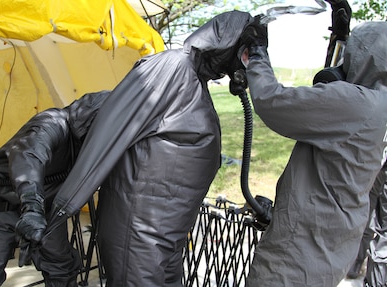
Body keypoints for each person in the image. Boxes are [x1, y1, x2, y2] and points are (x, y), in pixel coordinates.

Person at [41, 10, 255, 287]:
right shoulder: (172, 67)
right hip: (140, 235)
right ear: (229, 42)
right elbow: (109, 133)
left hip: (167, 234)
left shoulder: (194, 82)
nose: (248, 61)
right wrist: (61, 211)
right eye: (247, 53)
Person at [239, 5, 387, 287]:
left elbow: (272, 102)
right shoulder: (380, 105)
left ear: (360, 58)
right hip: (334, 243)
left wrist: (257, 53)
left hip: (299, 252)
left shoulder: (357, 104)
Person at [0, 90, 110, 287]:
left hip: (45, 210)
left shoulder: (90, 145)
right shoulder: (52, 123)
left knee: (62, 268)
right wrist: (32, 206)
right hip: (1, 205)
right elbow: (28, 156)